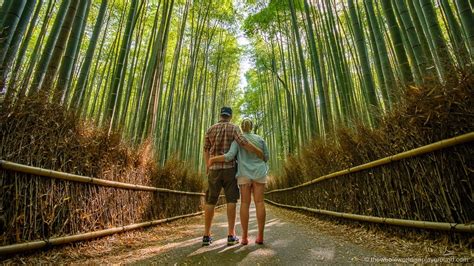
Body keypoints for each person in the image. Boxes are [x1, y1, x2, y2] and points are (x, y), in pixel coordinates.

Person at [203, 107, 264, 246]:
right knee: (231, 200)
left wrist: (208, 164)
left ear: (220, 115)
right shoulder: (234, 128)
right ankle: (231, 235)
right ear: (230, 116)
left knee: (210, 201)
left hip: (214, 169)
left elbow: (206, 149)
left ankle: (206, 236)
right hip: (230, 169)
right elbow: (243, 142)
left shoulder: (210, 129)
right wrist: (257, 151)